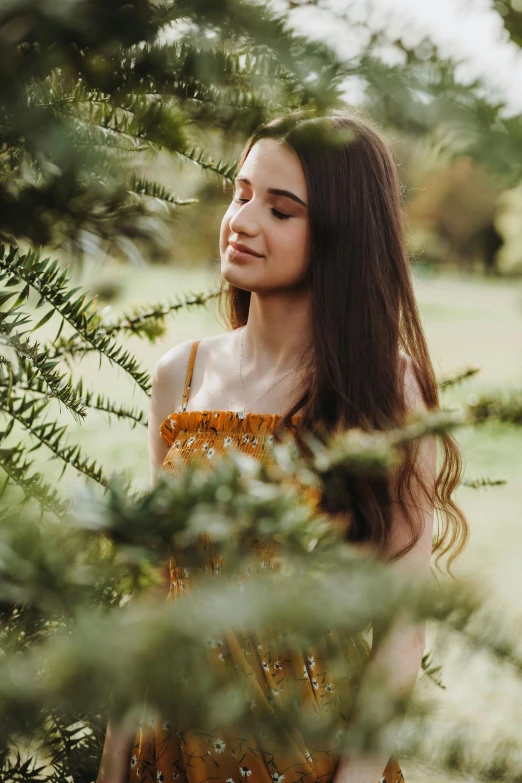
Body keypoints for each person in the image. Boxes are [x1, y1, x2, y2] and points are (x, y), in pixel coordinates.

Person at [97, 107, 468, 783]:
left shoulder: (386, 392)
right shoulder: (179, 378)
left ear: (340, 234)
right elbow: (156, 589)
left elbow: (401, 628)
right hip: (176, 754)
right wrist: (113, 762)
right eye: (240, 194)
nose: (241, 220)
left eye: (281, 209)